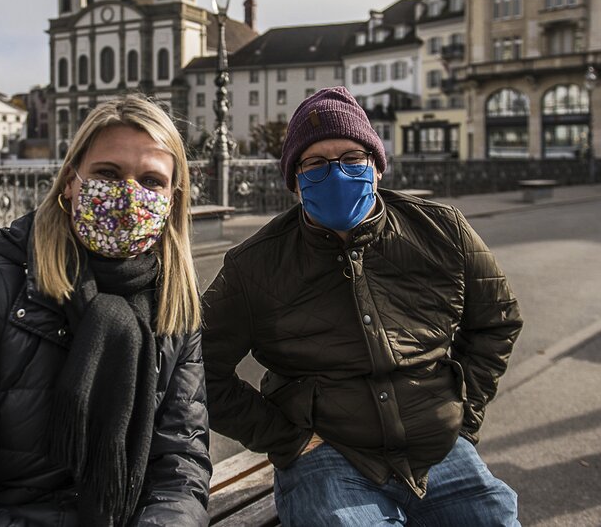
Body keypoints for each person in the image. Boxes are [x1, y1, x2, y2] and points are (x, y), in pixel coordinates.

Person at [201, 87, 523, 526]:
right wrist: (285, 437)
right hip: (328, 453)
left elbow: (497, 320)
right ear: (294, 180)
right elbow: (197, 364)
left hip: (437, 445)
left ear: (375, 166)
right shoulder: (254, 265)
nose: (336, 174)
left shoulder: (442, 231)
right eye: (315, 163)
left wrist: (466, 412)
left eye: (352, 158)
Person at [0, 95, 210, 527]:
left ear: (172, 201)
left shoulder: (173, 303)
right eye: (107, 174)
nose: (128, 197)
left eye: (151, 181)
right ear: (70, 183)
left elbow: (181, 464)